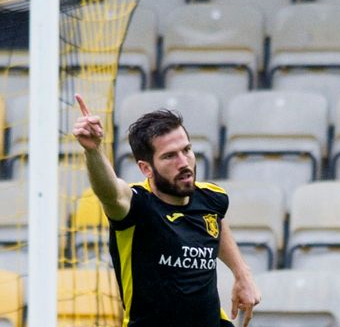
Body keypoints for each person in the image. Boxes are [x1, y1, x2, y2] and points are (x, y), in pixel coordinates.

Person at [72, 94, 260, 327]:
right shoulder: (136, 206)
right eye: (170, 156)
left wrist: (242, 273)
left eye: (187, 150)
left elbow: (216, 224)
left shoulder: (213, 197)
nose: (184, 162)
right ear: (146, 168)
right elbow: (109, 192)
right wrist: (93, 151)